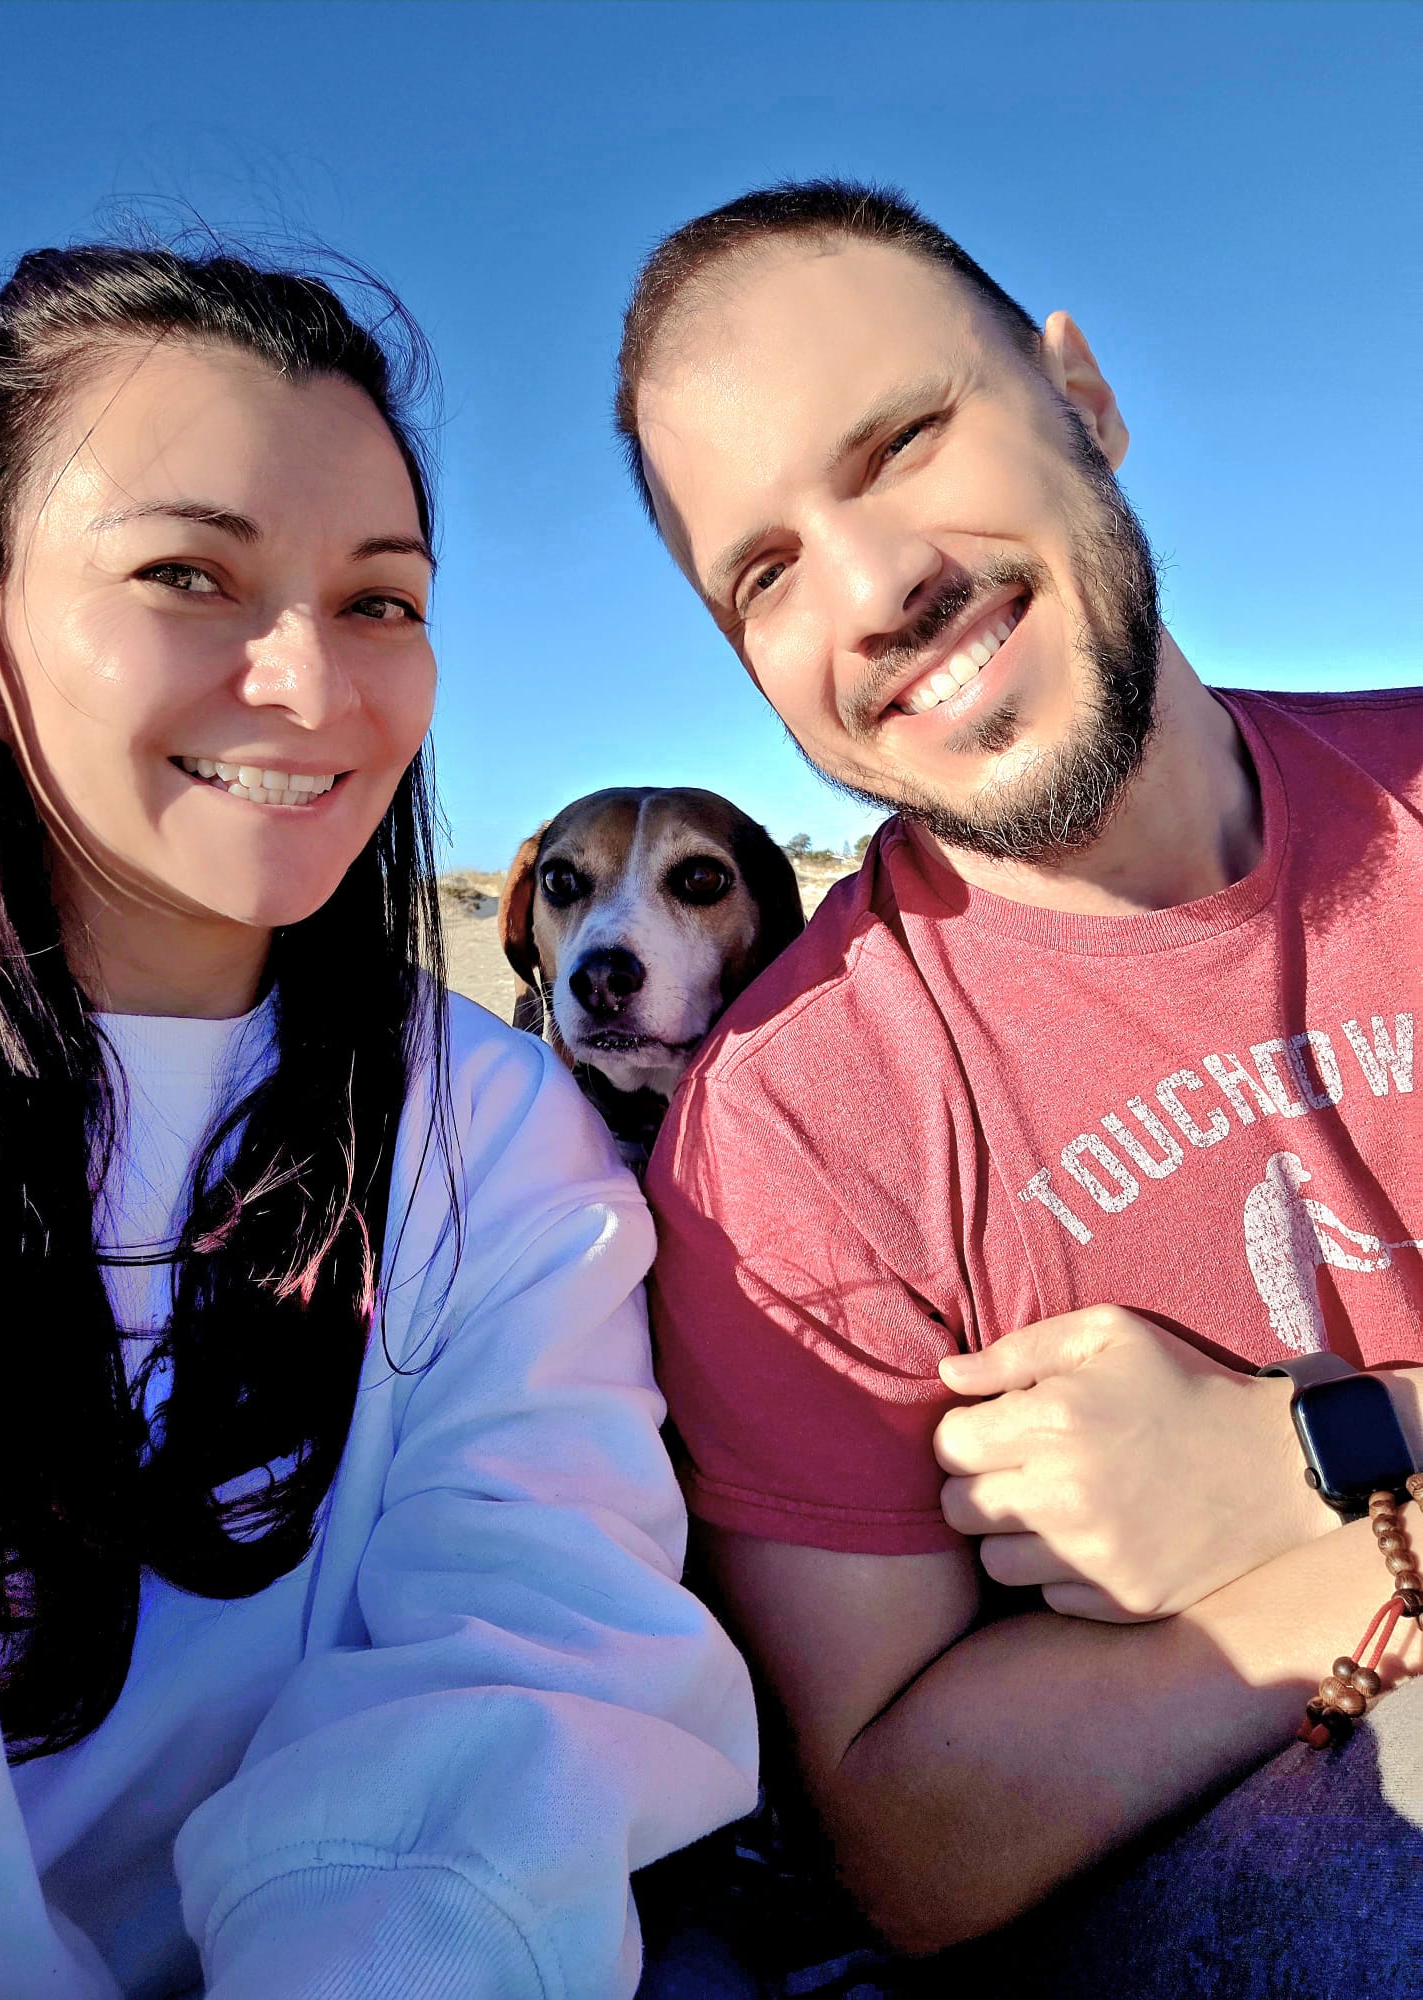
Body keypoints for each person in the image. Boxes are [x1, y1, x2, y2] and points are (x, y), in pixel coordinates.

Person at [0, 241, 757, 1999]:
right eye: (188, 573)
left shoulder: (494, 1131)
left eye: (381, 600)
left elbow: (524, 1670)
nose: (313, 683)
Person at [617, 180, 1423, 1990]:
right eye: (766, 573)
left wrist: (1317, 1458)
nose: (876, 591)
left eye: (905, 440)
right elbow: (913, 1840)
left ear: (1083, 399)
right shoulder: (787, 1135)